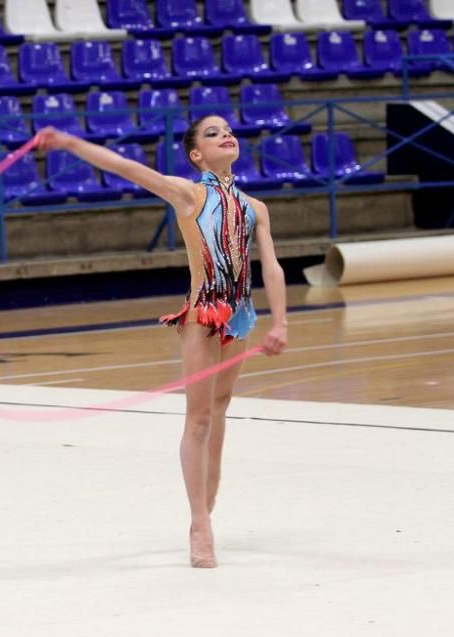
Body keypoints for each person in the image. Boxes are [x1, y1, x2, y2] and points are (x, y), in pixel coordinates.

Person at [36, 118, 288, 568]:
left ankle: (206, 504)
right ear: (197, 155)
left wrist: (280, 324)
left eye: (228, 130)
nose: (226, 135)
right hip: (203, 317)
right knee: (198, 419)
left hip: (241, 318)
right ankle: (199, 523)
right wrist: (71, 141)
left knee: (221, 408)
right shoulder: (188, 194)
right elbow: (127, 167)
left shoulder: (255, 207)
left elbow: (271, 267)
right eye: (213, 134)